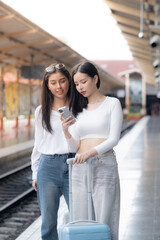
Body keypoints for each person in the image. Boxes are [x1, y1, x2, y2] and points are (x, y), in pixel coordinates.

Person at [61, 61, 123, 240]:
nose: (80, 87)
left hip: (104, 165)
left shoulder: (112, 103)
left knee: (105, 218)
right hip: (79, 168)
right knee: (80, 218)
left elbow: (113, 139)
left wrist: (89, 153)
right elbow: (73, 146)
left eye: (83, 81)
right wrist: (66, 131)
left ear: (95, 79)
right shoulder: (76, 109)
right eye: (77, 83)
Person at [31, 63, 75, 240]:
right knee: (48, 222)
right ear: (47, 86)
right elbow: (38, 143)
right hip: (48, 166)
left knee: (80, 217)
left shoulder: (79, 108)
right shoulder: (41, 111)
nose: (59, 86)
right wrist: (35, 172)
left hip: (74, 165)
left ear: (69, 82)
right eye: (53, 82)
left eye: (62, 81)